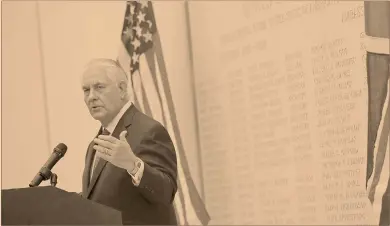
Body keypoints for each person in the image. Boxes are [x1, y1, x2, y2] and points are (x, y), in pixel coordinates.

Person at [80, 58, 178, 225]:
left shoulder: (148, 131)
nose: (91, 97)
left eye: (99, 87)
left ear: (122, 89)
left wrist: (133, 165)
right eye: (86, 90)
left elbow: (166, 192)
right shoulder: (95, 144)